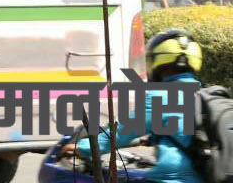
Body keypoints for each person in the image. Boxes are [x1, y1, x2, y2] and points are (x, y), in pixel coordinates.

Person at [58, 29, 203, 183]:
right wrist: (153, 137)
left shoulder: (161, 97)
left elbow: (119, 135)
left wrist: (81, 148)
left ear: (158, 64)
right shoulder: (204, 94)